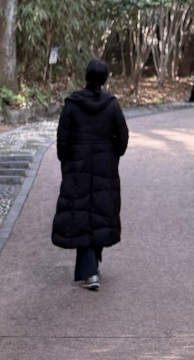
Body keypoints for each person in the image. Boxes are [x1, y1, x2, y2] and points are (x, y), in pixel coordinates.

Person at [51, 58, 129, 291]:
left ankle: (89, 271)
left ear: (86, 76)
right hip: (105, 165)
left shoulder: (72, 104)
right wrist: (112, 154)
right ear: (105, 79)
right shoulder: (112, 105)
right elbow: (122, 138)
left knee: (81, 212)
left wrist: (66, 160)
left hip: (77, 165)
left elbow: (62, 140)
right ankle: (91, 267)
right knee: (99, 211)